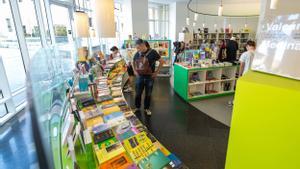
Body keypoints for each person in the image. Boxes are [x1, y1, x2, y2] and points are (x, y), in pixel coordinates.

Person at [132, 39, 164, 116]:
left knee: (148, 94)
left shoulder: (153, 52)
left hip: (149, 77)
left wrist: (156, 72)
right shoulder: (137, 53)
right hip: (140, 77)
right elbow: (133, 61)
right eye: (137, 48)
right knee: (138, 93)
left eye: (138, 47)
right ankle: (137, 107)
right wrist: (135, 71)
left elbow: (162, 61)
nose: (137, 49)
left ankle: (147, 108)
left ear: (143, 45)